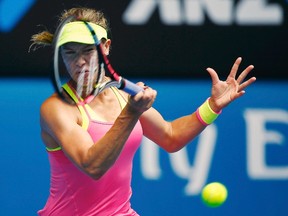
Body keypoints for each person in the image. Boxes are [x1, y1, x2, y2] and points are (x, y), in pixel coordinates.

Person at [30, 7, 256, 216]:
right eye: (70, 53)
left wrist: (212, 106)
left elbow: (170, 136)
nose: (79, 62)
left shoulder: (124, 93)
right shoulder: (57, 108)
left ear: (106, 46)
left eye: (88, 51)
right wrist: (131, 113)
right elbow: (92, 165)